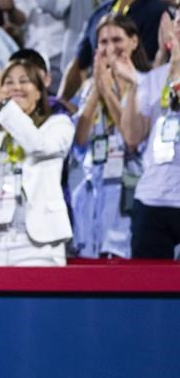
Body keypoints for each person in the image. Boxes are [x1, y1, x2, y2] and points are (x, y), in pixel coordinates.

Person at [0, 54, 74, 266]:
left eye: (24, 80)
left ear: (39, 92)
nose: (15, 87)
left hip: (37, 247)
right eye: (8, 82)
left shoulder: (58, 126)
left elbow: (37, 145)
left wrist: (2, 100)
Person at [71, 15, 151, 259]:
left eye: (117, 39)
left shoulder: (146, 83)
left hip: (129, 188)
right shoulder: (87, 88)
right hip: (93, 189)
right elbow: (80, 139)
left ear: (134, 42)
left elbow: (133, 140)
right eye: (103, 42)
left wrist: (109, 92)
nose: (110, 48)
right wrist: (97, 89)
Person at [119, 13, 180, 258]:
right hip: (152, 198)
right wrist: (134, 86)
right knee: (149, 288)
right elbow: (133, 137)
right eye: (177, 24)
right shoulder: (152, 79)